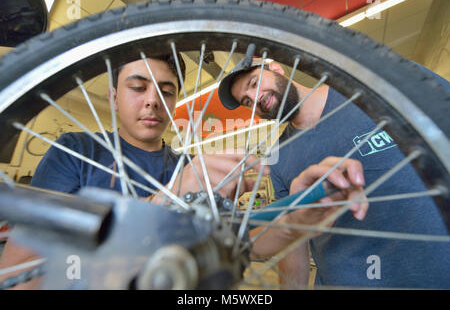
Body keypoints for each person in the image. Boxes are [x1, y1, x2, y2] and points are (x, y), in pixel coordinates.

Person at [0, 53, 366, 289]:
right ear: (113, 98)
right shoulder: (75, 151)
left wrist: (306, 212)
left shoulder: (189, 168)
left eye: (166, 91)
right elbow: (18, 276)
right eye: (137, 87)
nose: (152, 101)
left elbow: (251, 244)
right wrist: (171, 195)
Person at [218, 56, 450, 288]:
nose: (256, 99)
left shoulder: (370, 90)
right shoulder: (278, 157)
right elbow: (295, 240)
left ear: (277, 68)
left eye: (254, 83)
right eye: (247, 102)